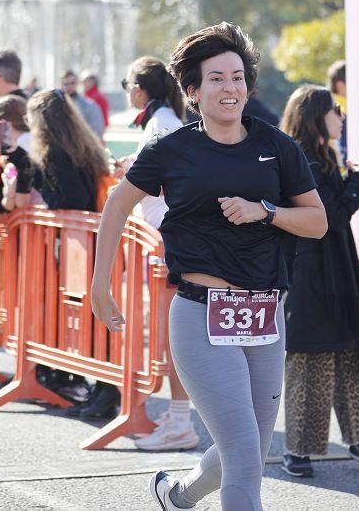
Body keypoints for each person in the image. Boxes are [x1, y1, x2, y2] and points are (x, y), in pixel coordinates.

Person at [91, 22, 326, 511]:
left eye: (238, 77)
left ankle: (178, 495)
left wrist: (266, 210)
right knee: (243, 452)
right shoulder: (172, 149)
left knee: (250, 450)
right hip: (202, 312)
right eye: (217, 78)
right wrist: (101, 286)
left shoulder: (277, 146)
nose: (231, 88)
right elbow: (118, 205)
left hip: (264, 315)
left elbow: (317, 222)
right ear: (193, 91)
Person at [277, 85, 359, 479]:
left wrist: (353, 177)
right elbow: (329, 216)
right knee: (310, 360)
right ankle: (299, 449)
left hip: (334, 271)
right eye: (335, 110)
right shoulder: (300, 161)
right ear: (316, 116)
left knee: (350, 355)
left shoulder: (320, 157)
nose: (341, 117)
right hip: (310, 275)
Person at [19, 89, 116, 412]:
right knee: (93, 317)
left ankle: (105, 390)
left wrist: (44, 194)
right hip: (92, 242)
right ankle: (101, 387)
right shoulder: (82, 147)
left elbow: (70, 199)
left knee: (89, 317)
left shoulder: (56, 153)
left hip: (79, 243)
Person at [118, 56, 197, 452]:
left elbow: (173, 179)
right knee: (170, 334)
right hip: (163, 237)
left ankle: (182, 422)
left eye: (126, 83)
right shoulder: (160, 119)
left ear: (141, 88)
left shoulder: (162, 121)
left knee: (174, 336)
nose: (126, 91)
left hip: (169, 240)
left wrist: (133, 171)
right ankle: (179, 417)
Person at [61, 70, 106, 139]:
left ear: (77, 83)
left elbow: (97, 130)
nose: (69, 87)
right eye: (66, 84)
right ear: (61, 85)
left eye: (72, 83)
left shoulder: (89, 105)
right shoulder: (56, 106)